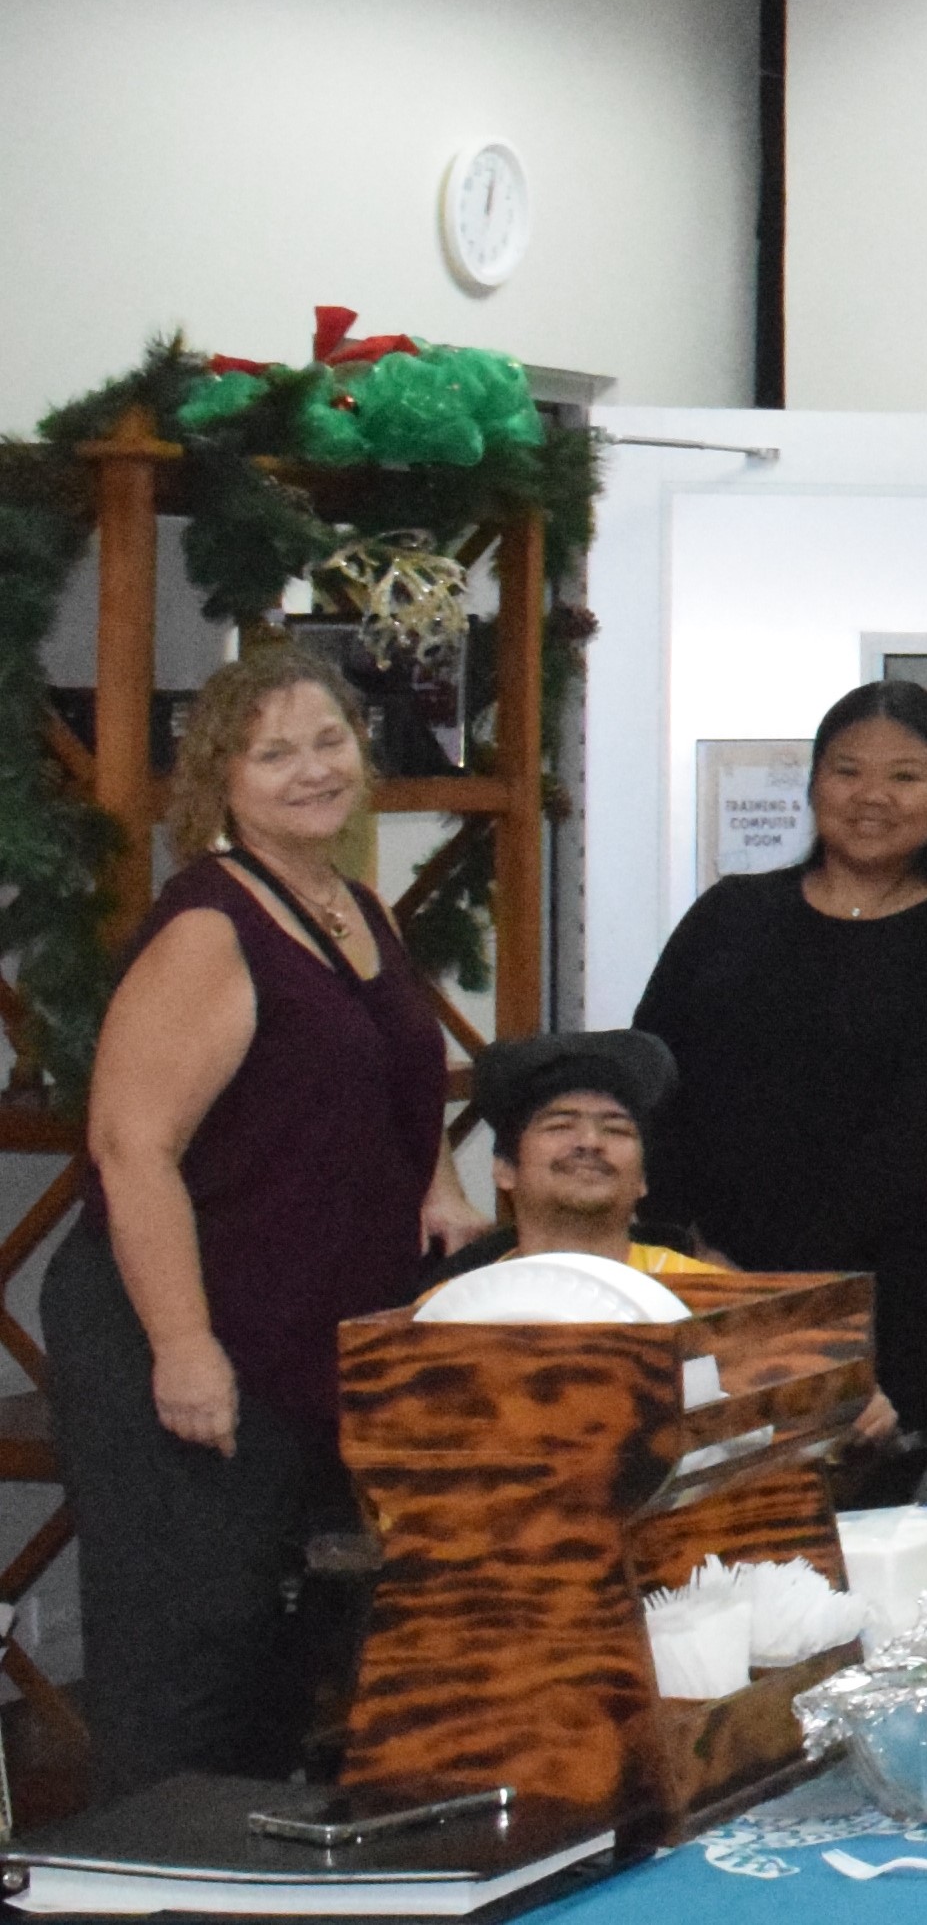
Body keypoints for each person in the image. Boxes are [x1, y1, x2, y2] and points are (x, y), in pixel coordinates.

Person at [58, 648, 458, 1801]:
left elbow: (391, 1066)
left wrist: (435, 1183)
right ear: (219, 781)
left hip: (301, 1344)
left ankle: (251, 1869)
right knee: (189, 1648)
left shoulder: (354, 907)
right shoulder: (212, 926)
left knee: (275, 1651)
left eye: (329, 742)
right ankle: (149, 1870)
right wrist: (184, 1349)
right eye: (273, 753)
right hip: (182, 1335)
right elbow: (132, 1147)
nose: (312, 770)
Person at [635, 680, 927, 1458]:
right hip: (701, 1283)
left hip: (882, 1300)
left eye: (904, 775)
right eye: (847, 770)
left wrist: (777, 1295)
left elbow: (910, 1143)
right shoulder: (729, 913)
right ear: (813, 783)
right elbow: (650, 1082)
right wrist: (690, 1250)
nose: (872, 795)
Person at [429, 1029, 734, 1286]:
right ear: (504, 1167)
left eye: (616, 1129)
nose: (590, 1142)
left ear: (642, 1178)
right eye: (560, 1126)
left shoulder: (715, 1301)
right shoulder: (450, 1310)